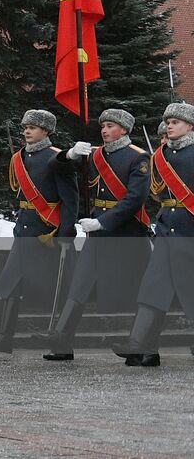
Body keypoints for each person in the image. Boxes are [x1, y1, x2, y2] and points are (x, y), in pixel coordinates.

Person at [40, 107, 152, 361]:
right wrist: (69, 154)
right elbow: (54, 166)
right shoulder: (94, 155)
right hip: (98, 233)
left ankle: (143, 346)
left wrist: (102, 223)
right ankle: (61, 340)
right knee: (80, 283)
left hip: (127, 232)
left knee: (144, 290)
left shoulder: (138, 157)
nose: (104, 130)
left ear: (124, 129)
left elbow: (135, 199)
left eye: (111, 126)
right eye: (103, 126)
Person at [0, 109, 79, 353]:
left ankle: (62, 343)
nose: (27, 131)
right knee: (10, 283)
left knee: (63, 287)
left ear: (45, 131)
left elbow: (71, 199)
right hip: (26, 229)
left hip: (49, 232)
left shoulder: (58, 158)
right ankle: (4, 338)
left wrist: (66, 233)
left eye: (33, 127)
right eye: (25, 126)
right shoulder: (20, 157)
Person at [112, 101, 194, 368]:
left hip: (189, 231)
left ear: (190, 126)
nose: (169, 125)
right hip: (167, 231)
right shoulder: (161, 155)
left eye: (176, 122)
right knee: (152, 288)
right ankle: (141, 345)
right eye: (167, 122)